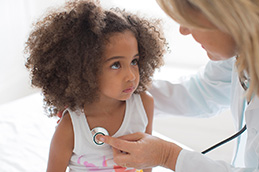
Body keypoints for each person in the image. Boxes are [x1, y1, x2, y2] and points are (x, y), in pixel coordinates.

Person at [99, 0, 259, 171]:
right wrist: (114, 89)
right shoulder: (242, 52)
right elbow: (200, 92)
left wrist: (168, 156)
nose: (183, 30)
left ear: (231, 16)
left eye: (189, 18)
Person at [24, 0, 166, 171]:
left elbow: (146, 162)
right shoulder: (70, 127)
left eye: (134, 61)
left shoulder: (144, 104)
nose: (131, 75)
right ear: (84, 71)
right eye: (116, 65)